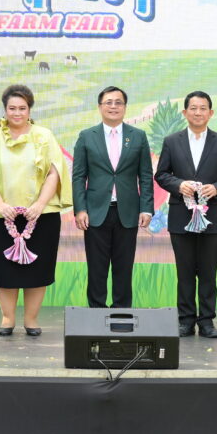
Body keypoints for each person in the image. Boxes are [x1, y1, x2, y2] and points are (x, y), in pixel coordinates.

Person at [0, 84, 72, 336]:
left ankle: (32, 320)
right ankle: (7, 318)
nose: (17, 113)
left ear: (29, 110)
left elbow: (55, 172)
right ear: (5, 110)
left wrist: (39, 205)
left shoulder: (44, 135)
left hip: (41, 215)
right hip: (1, 216)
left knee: (39, 269)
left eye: (22, 108)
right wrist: (1, 205)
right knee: (5, 269)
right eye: (12, 108)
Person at [154, 91, 217, 338]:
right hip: (181, 216)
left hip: (212, 217)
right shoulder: (172, 141)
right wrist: (178, 185)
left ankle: (207, 322)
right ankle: (186, 321)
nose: (198, 112)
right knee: (185, 272)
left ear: (211, 113)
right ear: (185, 112)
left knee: (209, 272)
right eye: (193, 108)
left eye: (203, 108)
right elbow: (162, 174)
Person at [72, 86, 153, 308]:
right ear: (100, 107)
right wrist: (80, 209)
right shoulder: (87, 136)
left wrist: (146, 208)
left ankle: (122, 313)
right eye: (109, 102)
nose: (113, 106)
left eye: (119, 102)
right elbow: (78, 176)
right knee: (96, 267)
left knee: (124, 267)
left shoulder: (138, 136)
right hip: (96, 212)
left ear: (125, 107)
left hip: (127, 211)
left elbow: (145, 175)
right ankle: (96, 311)